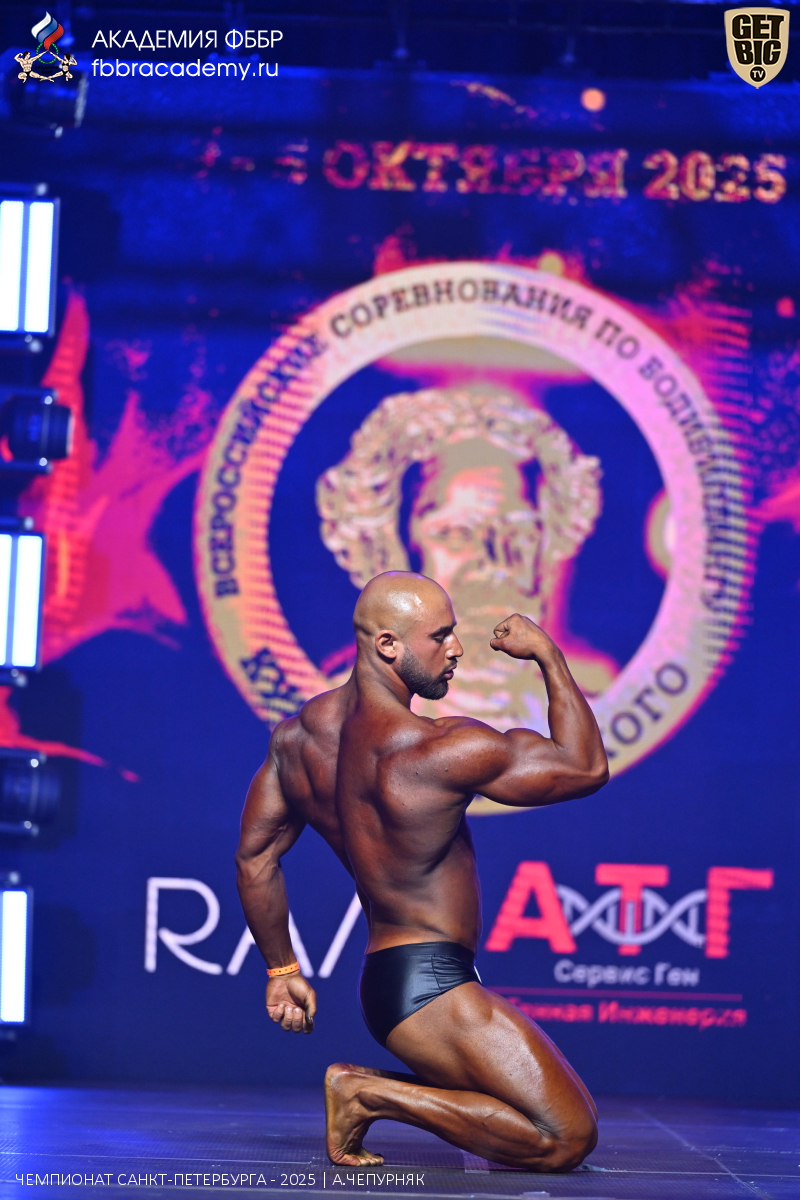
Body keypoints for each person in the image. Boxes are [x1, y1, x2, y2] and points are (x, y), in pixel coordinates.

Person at [236, 571, 609, 1172]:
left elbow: (256, 857)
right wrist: (547, 655)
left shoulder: (297, 741)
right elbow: (584, 767)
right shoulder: (440, 749)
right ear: (388, 644)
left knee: (543, 1114)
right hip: (432, 985)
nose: (456, 648)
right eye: (440, 636)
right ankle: (365, 1094)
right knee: (566, 1137)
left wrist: (282, 970)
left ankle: (366, 1088)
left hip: (389, 983)